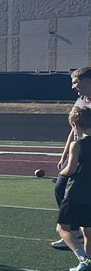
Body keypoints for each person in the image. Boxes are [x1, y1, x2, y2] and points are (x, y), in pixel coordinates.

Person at [51, 67, 91, 251]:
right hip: (77, 151)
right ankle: (73, 233)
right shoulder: (81, 101)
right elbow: (73, 128)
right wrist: (64, 154)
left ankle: (81, 234)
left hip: (87, 152)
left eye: (77, 82)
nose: (74, 86)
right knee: (61, 189)